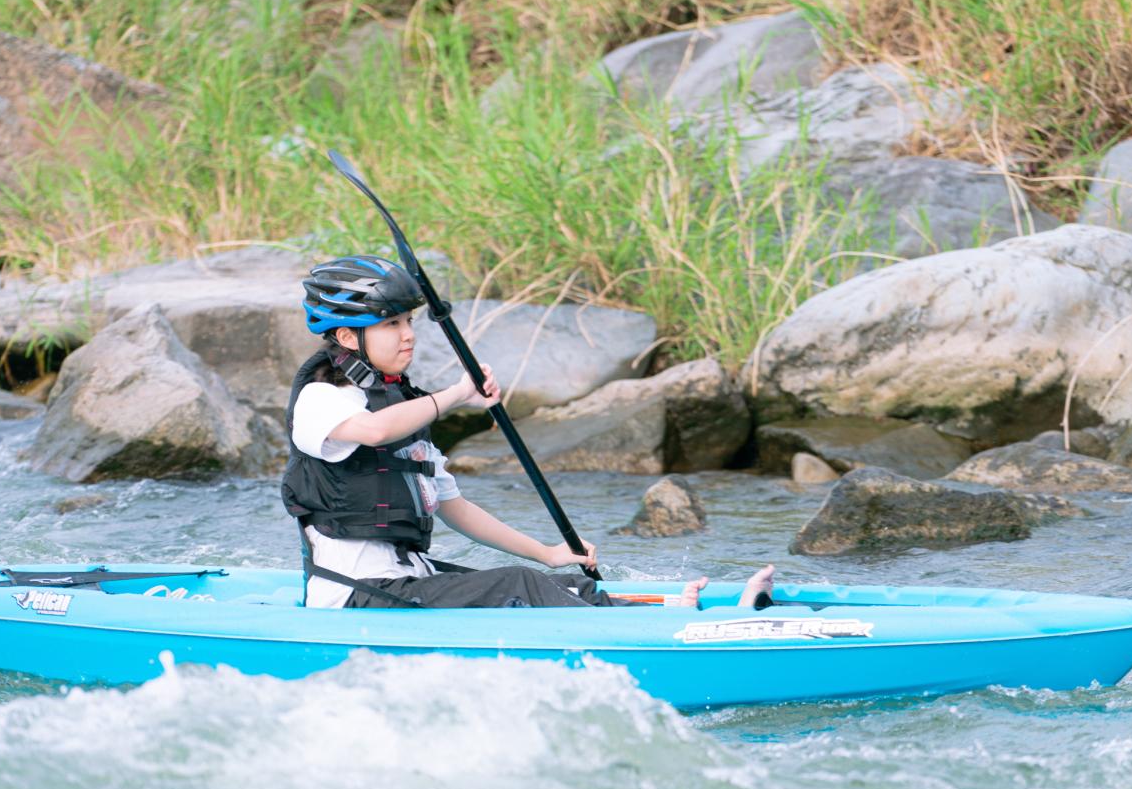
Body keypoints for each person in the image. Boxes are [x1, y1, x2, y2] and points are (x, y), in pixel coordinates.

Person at [281, 255, 775, 610]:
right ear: (348, 337)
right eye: (391, 323)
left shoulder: (405, 404)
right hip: (354, 596)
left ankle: (661, 613)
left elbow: (455, 509)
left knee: (559, 584)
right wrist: (458, 394)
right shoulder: (320, 400)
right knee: (517, 586)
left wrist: (551, 554)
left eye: (409, 320)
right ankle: (663, 630)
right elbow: (371, 432)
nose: (408, 334)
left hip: (403, 583)